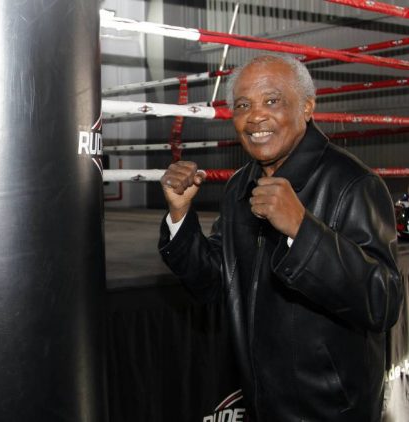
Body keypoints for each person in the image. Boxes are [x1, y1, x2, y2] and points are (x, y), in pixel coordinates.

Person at [158, 54, 404, 421]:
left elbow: (383, 302)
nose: (255, 116)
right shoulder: (241, 185)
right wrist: (180, 215)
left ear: (307, 107)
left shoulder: (353, 183)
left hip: (332, 409)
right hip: (260, 402)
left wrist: (303, 230)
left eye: (272, 101)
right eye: (243, 105)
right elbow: (214, 284)